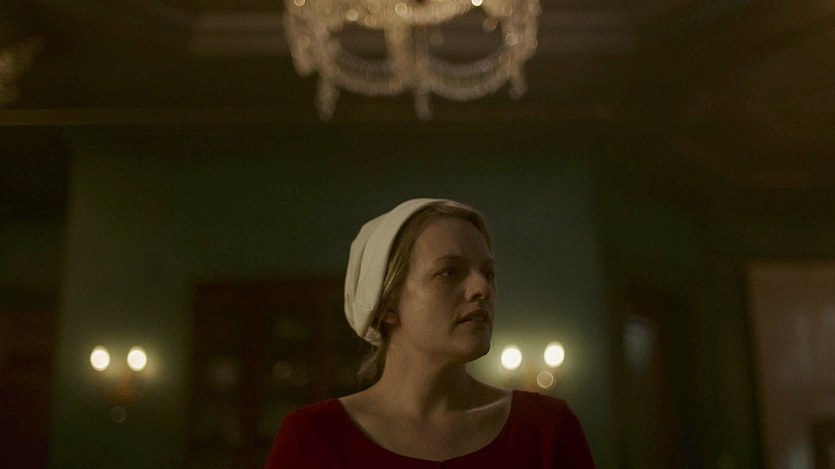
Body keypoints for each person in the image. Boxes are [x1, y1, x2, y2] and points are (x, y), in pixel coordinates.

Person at [264, 198, 594, 468]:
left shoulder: (545, 429)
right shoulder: (312, 438)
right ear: (386, 304)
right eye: (449, 272)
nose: (481, 288)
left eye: (488, 273)